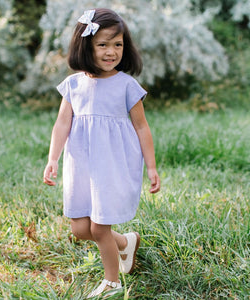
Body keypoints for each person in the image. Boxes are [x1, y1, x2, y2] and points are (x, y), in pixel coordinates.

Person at [43, 8, 160, 298]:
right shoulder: (73, 85)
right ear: (86, 46)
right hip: (81, 165)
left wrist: (152, 167)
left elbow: (142, 128)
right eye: (103, 44)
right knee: (80, 228)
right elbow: (62, 124)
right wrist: (53, 158)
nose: (111, 52)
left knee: (98, 228)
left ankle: (112, 282)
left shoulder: (126, 86)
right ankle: (125, 242)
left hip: (113, 165)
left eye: (117, 44)